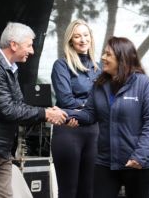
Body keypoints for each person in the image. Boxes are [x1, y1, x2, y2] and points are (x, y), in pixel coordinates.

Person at [0, 22, 67, 198]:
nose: (32, 51)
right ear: (14, 44)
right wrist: (46, 114)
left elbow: (17, 105)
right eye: (29, 45)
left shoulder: (7, 67)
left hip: (0, 147)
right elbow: (8, 110)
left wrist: (46, 110)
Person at [66, 37, 149, 198]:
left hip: (138, 164)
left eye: (108, 54)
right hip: (105, 162)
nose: (103, 57)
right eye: (104, 53)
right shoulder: (99, 85)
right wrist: (66, 115)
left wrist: (139, 156)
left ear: (122, 58)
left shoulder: (143, 84)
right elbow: (89, 114)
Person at [50, 19, 100, 198]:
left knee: (89, 192)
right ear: (70, 40)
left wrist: (85, 109)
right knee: (69, 192)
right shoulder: (61, 65)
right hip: (69, 131)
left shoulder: (98, 68)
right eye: (77, 36)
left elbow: (103, 101)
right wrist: (92, 107)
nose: (82, 40)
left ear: (91, 38)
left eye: (86, 35)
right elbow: (66, 99)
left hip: (94, 133)